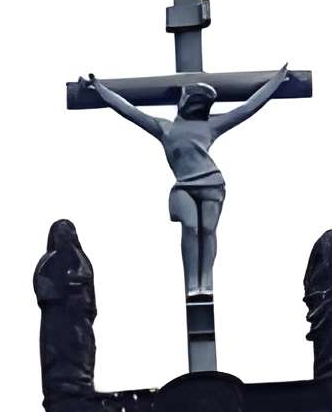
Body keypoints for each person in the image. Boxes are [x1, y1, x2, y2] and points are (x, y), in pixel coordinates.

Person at [79, 71, 290, 301]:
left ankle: (205, 281)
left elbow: (248, 108)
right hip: (183, 186)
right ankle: (192, 280)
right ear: (183, 101)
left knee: (208, 231)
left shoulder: (210, 125)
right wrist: (100, 88)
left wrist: (276, 83)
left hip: (212, 183)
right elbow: (129, 111)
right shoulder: (164, 128)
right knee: (190, 227)